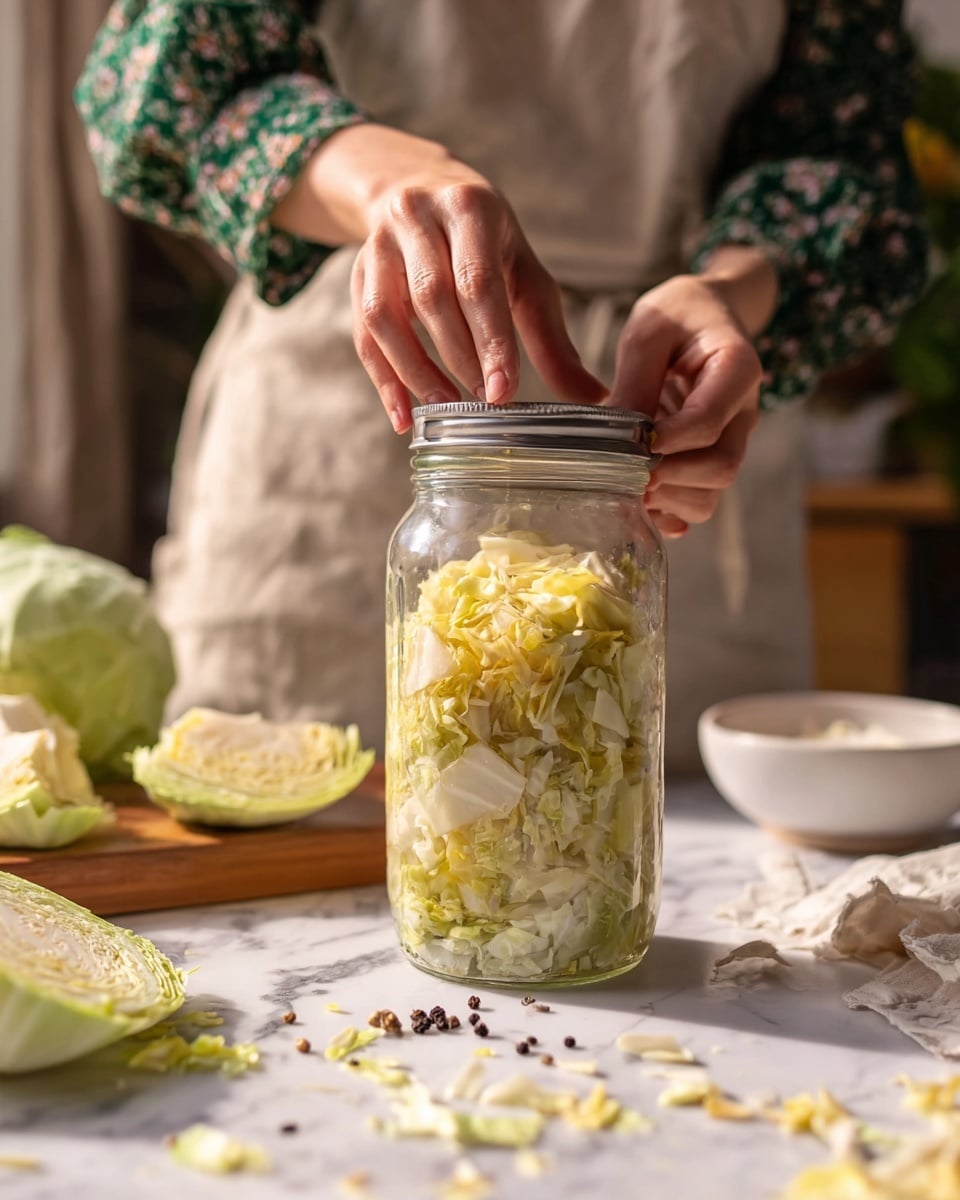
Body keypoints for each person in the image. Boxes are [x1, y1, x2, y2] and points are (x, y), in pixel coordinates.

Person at [76, 0, 927, 772]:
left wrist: (736, 291)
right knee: (272, 825)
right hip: (342, 435)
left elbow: (840, 154)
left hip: (666, 422)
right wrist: (384, 183)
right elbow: (170, 81)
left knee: (652, 836)